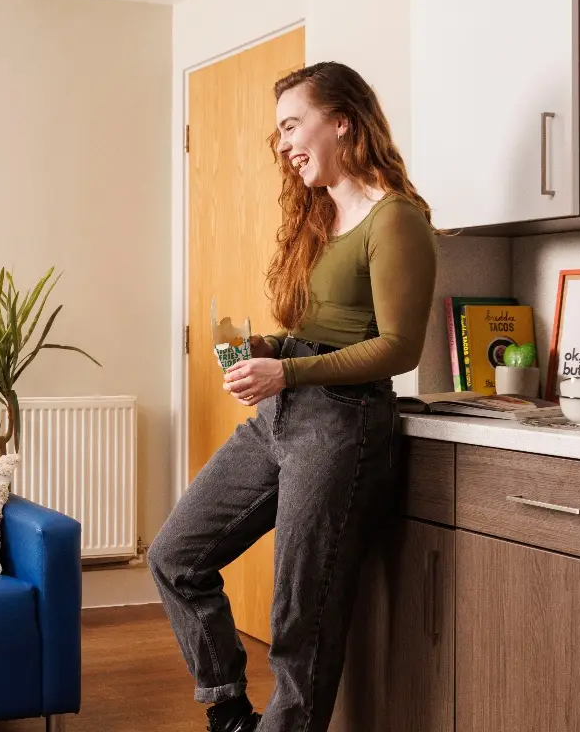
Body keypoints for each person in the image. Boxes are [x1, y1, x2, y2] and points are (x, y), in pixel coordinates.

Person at [149, 62, 439, 732]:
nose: (282, 144)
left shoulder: (396, 220)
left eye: (291, 124)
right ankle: (227, 709)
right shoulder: (321, 217)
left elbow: (399, 348)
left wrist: (291, 373)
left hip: (343, 422)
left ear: (342, 121)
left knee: (300, 611)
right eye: (279, 131)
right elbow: (317, 334)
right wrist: (271, 350)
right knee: (175, 555)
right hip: (281, 414)